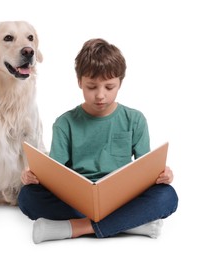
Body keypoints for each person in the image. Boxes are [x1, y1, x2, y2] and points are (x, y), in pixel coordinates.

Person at [18, 38, 178, 244]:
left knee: (167, 196)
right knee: (27, 196)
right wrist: (33, 175)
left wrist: (162, 175)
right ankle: (130, 224)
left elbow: (146, 170)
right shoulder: (65, 123)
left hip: (123, 198)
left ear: (120, 82)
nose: (100, 95)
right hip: (77, 200)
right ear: (79, 82)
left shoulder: (135, 119)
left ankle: (77, 227)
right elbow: (54, 175)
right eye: (91, 86)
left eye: (109, 87)